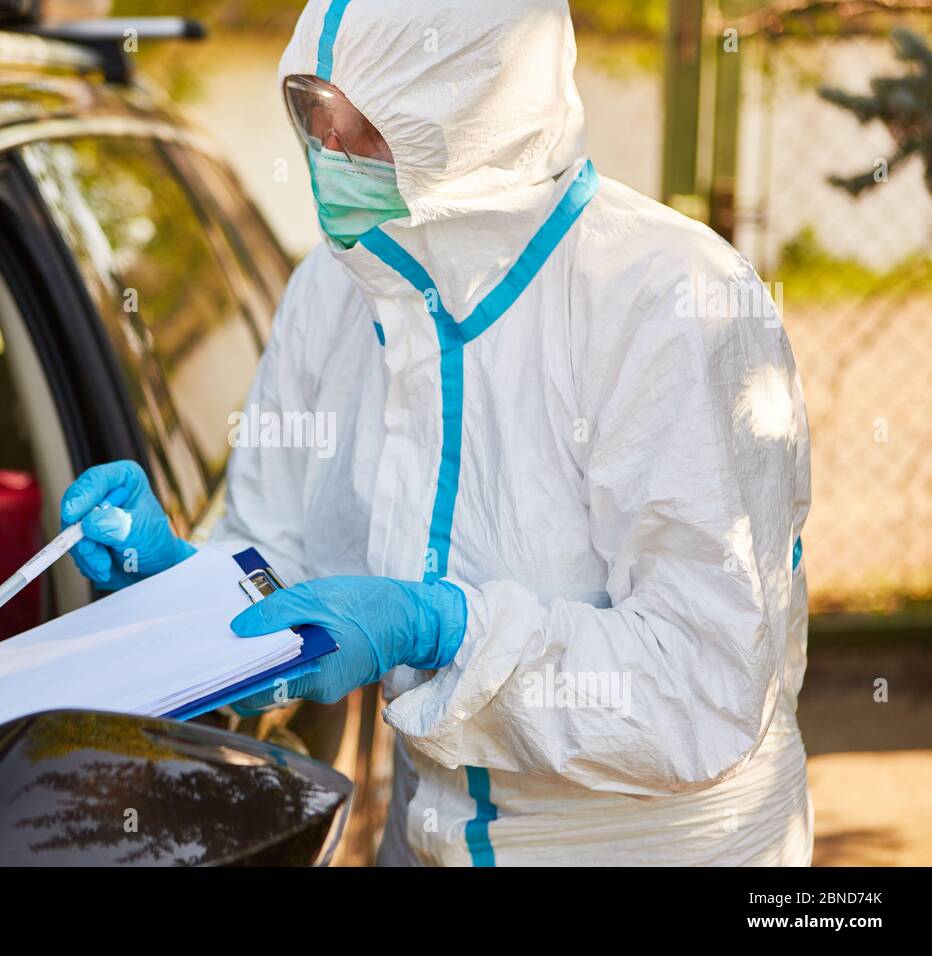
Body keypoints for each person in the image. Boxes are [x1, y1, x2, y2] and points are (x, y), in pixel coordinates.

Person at [60, 0, 812, 866]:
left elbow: (704, 683)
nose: (327, 148)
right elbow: (279, 559)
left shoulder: (666, 299)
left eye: (364, 121)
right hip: (426, 830)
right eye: (312, 108)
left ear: (469, 111)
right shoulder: (334, 289)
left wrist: (440, 628)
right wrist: (178, 576)